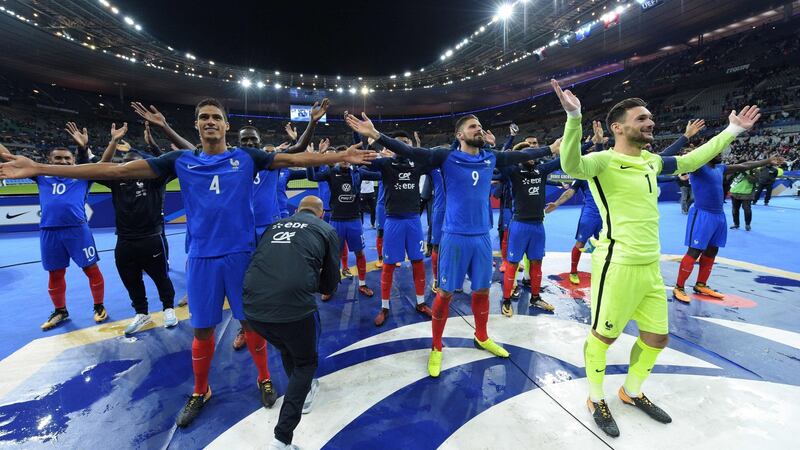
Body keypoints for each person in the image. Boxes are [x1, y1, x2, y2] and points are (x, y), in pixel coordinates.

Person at [0, 97, 377, 428]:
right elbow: (111, 171)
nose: (210, 122)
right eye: (204, 118)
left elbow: (295, 156)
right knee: (202, 330)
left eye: (216, 116)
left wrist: (341, 155)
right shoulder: (179, 161)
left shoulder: (246, 158)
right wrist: (38, 167)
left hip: (242, 256)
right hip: (201, 259)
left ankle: (263, 377)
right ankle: (201, 390)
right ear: (196, 126)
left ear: (226, 124)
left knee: (251, 323)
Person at [551, 78, 760, 438]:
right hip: (617, 264)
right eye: (642, 118)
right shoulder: (602, 160)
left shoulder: (650, 161)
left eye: (650, 118)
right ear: (619, 127)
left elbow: (695, 157)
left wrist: (731, 130)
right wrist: (574, 117)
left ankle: (631, 392)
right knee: (603, 336)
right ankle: (595, 397)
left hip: (650, 266)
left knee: (657, 338)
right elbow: (570, 164)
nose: (650, 123)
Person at [346, 111, 556, 378]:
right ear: (460, 135)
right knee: (445, 294)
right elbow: (411, 151)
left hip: (481, 237)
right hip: (454, 238)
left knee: (481, 292)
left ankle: (481, 336)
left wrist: (549, 149)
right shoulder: (445, 157)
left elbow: (519, 156)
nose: (478, 129)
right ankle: (436, 346)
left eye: (480, 125)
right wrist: (376, 135)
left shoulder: (491, 158)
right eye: (472, 126)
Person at [242, 196, 339, 450]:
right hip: (293, 307)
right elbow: (330, 284)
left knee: (287, 346)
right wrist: (312, 280)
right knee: (306, 362)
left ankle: (300, 386)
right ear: (321, 214)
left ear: (296, 211)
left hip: (251, 309)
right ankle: (281, 439)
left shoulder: (273, 226)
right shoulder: (326, 229)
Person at [0, 141, 106, 330]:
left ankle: (99, 307)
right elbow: (11, 158)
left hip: (78, 231)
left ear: (73, 161)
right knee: (55, 273)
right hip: (50, 232)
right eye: (58, 158)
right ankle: (60, 311)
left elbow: (103, 165)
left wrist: (109, 142)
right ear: (49, 160)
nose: (63, 161)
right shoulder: (41, 176)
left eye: (67, 158)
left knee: (91, 269)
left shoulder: (83, 177)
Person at [93, 122, 178, 334]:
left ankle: (168, 308)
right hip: (123, 240)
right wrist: (113, 142)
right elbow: (100, 168)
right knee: (131, 279)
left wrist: (153, 146)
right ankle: (141, 313)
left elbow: (170, 164)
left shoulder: (155, 180)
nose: (128, 167)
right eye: (125, 164)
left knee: (161, 277)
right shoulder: (117, 181)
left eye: (134, 163)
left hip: (151, 238)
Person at [673, 154, 783, 303]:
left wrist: (768, 161)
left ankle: (701, 284)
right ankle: (679, 287)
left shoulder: (720, 168)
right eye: (717, 152)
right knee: (695, 250)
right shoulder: (698, 166)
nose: (721, 155)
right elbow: (681, 161)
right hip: (702, 215)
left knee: (712, 250)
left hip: (718, 216)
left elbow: (745, 165)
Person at [367, 131, 434, 326]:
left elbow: (434, 159)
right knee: (388, 266)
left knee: (418, 262)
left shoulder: (417, 164)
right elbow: (365, 159)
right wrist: (365, 141)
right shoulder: (385, 164)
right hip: (394, 221)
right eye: (399, 143)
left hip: (413, 221)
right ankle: (385, 306)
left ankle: (421, 302)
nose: (402, 146)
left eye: (406, 143)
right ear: (391, 146)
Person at [496, 138, 564, 317]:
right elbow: (499, 159)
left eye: (534, 153)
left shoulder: (540, 170)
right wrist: (504, 144)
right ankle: (507, 300)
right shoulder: (513, 171)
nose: (533, 156)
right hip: (519, 225)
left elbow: (561, 160)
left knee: (537, 263)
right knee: (512, 264)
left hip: (538, 226)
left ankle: (535, 298)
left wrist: (588, 144)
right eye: (528, 153)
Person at [306, 145, 380, 297]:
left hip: (354, 221)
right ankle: (331, 287)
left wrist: (378, 159)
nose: (346, 159)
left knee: (360, 253)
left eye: (348, 156)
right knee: (334, 256)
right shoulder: (331, 172)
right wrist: (312, 159)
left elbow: (380, 175)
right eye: (343, 156)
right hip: (336, 221)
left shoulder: (358, 173)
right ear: (339, 158)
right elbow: (311, 177)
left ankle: (362, 284)